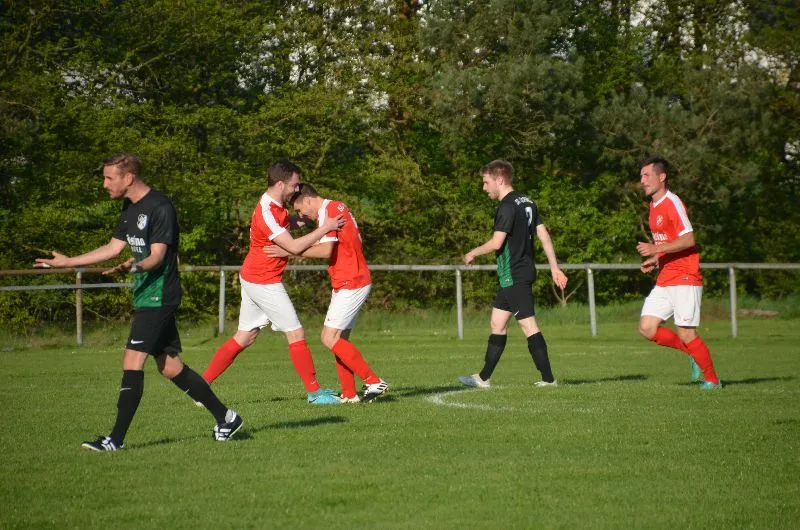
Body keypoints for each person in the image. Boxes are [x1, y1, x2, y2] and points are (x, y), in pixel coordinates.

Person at [34, 153, 243, 451]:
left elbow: (157, 256)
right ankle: (226, 418)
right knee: (170, 367)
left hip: (160, 295)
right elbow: (112, 248)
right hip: (146, 294)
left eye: (109, 178)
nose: (105, 184)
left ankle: (115, 440)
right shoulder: (130, 207)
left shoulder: (161, 207)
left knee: (132, 360)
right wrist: (68, 262)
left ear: (128, 177)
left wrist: (135, 266)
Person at [200, 160, 345, 405]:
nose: (297, 189)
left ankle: (200, 386)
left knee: (244, 337)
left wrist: (308, 218)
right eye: (294, 185)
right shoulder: (266, 212)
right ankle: (314, 393)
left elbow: (288, 225)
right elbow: (294, 247)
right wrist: (326, 228)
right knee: (296, 332)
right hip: (263, 280)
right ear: (280, 184)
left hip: (255, 276)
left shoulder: (276, 206)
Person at [265, 183, 388, 403]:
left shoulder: (328, 213)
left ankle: (373, 380)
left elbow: (325, 250)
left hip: (351, 281)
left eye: (300, 210)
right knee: (339, 341)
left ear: (308, 200)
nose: (301, 215)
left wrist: (289, 250)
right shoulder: (336, 207)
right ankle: (349, 394)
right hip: (350, 278)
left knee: (328, 338)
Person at [459, 160, 568, 389]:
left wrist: (472, 252)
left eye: (486, 182)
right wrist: (555, 268)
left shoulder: (507, 206)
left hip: (514, 274)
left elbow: (497, 243)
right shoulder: (527, 202)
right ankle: (483, 378)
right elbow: (544, 236)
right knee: (497, 323)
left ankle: (548, 379)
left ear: (499, 180)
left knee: (529, 326)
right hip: (514, 274)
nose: (484, 188)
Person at [636, 156, 721, 389]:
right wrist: (655, 259)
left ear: (662, 177)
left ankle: (713, 380)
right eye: (641, 176)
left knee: (686, 333)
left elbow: (689, 239)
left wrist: (656, 249)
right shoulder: (653, 206)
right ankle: (692, 353)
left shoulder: (672, 202)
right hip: (666, 277)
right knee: (647, 328)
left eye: (647, 175)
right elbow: (669, 241)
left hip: (685, 276)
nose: (642, 181)